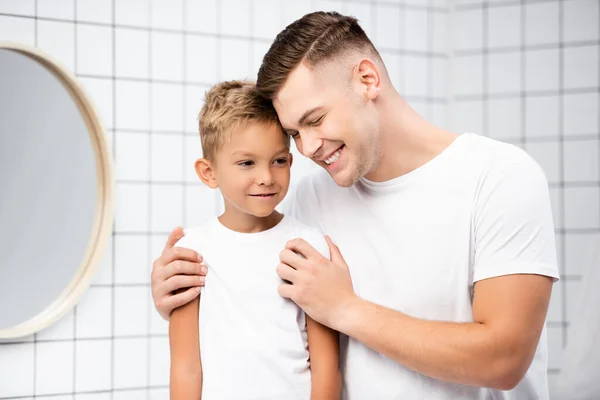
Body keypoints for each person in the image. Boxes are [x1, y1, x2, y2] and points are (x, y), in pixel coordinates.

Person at [154, 11, 559, 400]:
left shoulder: (499, 178)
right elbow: (262, 321)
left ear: (367, 79)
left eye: (316, 119)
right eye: (295, 133)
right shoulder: (309, 199)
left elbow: (503, 360)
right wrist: (177, 297)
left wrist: (345, 308)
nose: (307, 148)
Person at [167, 80, 340, 399]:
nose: (266, 177)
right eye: (247, 163)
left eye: (277, 160)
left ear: (290, 162)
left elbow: (326, 366)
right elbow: (186, 366)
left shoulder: (306, 245)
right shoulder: (191, 253)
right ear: (209, 173)